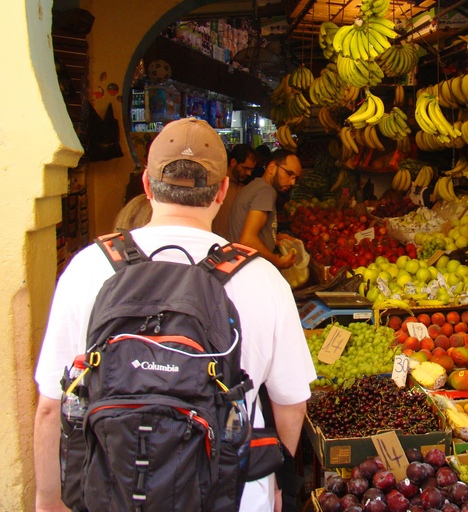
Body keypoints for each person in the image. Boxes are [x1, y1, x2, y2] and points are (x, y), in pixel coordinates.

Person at [33, 117, 315, 512]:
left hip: (110, 491)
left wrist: (48, 501)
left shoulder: (87, 268)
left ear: (147, 185)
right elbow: (291, 405)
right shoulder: (264, 279)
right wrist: (274, 483)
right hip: (233, 494)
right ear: (222, 191)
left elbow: (51, 406)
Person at [228, 149, 303, 269]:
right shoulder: (266, 191)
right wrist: (278, 262)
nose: (292, 182)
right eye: (289, 174)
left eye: (295, 178)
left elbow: (247, 228)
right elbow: (247, 240)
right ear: (272, 167)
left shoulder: (253, 187)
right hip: (250, 269)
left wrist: (274, 237)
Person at [211, 143, 258, 238]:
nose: (249, 173)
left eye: (251, 169)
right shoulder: (215, 184)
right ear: (233, 162)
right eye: (246, 168)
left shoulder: (246, 187)